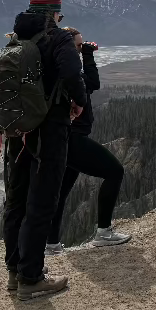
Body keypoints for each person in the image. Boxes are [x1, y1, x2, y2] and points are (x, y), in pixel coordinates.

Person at [3, 0, 87, 301]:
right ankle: (31, 277)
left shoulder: (16, 37)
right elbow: (70, 71)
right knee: (43, 200)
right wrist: (78, 101)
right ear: (54, 12)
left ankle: (14, 271)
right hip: (49, 128)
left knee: (17, 198)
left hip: (19, 130)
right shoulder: (58, 37)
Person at [45, 29, 131, 254]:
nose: (80, 50)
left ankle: (51, 244)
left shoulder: (57, 70)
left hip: (63, 138)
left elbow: (91, 84)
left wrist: (87, 56)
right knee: (115, 171)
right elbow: (91, 83)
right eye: (77, 46)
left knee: (60, 192)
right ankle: (104, 232)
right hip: (71, 138)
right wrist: (87, 57)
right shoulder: (68, 73)